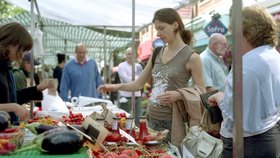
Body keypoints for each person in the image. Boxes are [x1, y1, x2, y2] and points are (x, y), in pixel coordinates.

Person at [98, 8, 205, 144]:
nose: (158, 34)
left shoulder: (192, 57)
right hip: (150, 119)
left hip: (172, 122)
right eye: (156, 29)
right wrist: (113, 87)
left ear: (175, 25)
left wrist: (179, 94)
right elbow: (138, 84)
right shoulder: (157, 52)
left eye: (161, 28)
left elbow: (201, 91)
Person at [208, 5, 280, 158]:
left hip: (244, 143)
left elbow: (234, 112)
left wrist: (219, 96)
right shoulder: (273, 55)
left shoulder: (246, 64)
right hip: (269, 136)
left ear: (245, 32)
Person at [0, 22, 56, 124]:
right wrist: (13, 107)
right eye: (22, 49)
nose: (22, 55)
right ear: (11, 44)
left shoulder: (6, 68)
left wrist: (38, 88)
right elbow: (10, 103)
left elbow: (12, 97)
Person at [117, 47, 143, 125]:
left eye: (132, 54)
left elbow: (141, 78)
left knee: (138, 117)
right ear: (125, 55)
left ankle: (137, 134)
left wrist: (136, 80)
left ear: (135, 55)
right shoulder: (121, 65)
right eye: (128, 54)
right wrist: (137, 80)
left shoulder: (138, 66)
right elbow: (125, 79)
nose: (130, 56)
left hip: (137, 95)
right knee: (124, 118)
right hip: (125, 95)